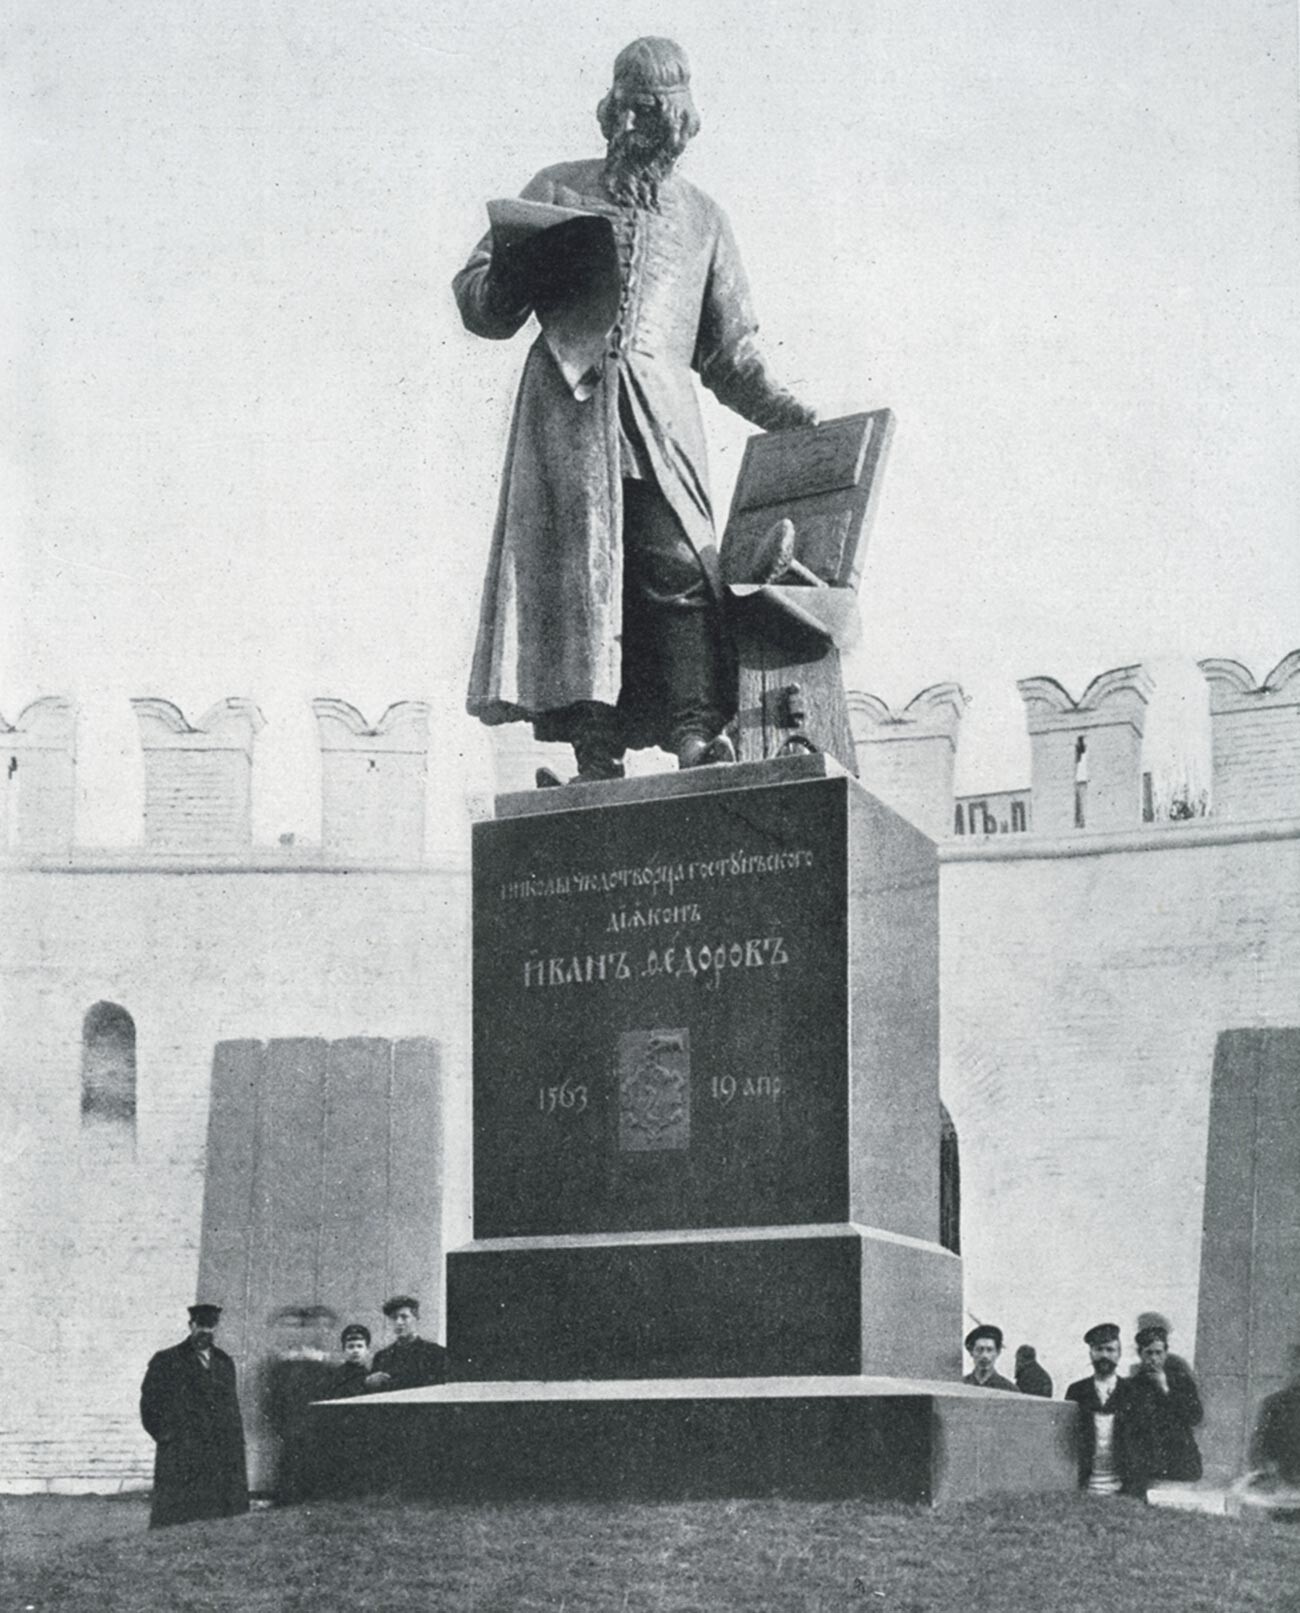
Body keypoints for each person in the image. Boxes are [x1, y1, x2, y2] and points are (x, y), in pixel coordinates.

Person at [453, 37, 818, 785]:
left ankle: (692, 733)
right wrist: (518, 268)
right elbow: (481, 300)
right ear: (614, 113)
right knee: (582, 577)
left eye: (657, 127)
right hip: (566, 418)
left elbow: (732, 355)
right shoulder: (556, 187)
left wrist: (792, 417)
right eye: (630, 119)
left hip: (661, 418)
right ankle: (595, 754)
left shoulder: (705, 219)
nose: (640, 138)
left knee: (679, 565)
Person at [139, 1302, 249, 1528]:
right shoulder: (166, 1360)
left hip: (216, 1448)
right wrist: (166, 1436)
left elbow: (230, 1406)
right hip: (182, 1448)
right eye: (201, 1325)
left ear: (216, 1328)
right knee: (178, 1516)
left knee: (215, 1515)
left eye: (210, 1326)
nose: (205, 1332)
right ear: (191, 1325)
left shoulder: (223, 1361)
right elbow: (149, 1404)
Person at [1123, 1322, 1203, 1499]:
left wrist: (1166, 1388)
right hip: (1148, 1469)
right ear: (1140, 1354)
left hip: (1180, 1464)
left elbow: (1195, 1416)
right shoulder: (1131, 1387)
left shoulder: (1181, 1382)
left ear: (1166, 1353)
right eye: (1148, 1353)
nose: (1153, 1358)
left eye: (1158, 1353)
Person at [1064, 1322, 1139, 1497]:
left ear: (1119, 1354)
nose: (1104, 1355)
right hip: (1085, 1488)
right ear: (1091, 1353)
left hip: (1123, 1490)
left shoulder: (1133, 1392)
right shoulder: (1077, 1391)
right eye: (1099, 1349)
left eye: (1110, 1350)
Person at [366, 1296, 449, 1392]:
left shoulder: (436, 1353)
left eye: (404, 1317)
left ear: (416, 1318)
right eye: (394, 1318)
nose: (399, 1322)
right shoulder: (382, 1357)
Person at [324, 1323, 373, 1400]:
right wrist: (364, 1383)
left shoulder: (369, 1374)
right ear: (344, 1349)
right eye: (351, 1347)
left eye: (360, 1346)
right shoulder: (336, 1375)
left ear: (367, 1349)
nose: (355, 1351)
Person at [962, 1324, 1018, 1391]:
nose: (984, 1356)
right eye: (980, 1350)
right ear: (971, 1352)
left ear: (997, 1352)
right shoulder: (961, 1386)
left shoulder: (1009, 1389)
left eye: (989, 1350)